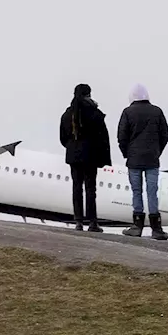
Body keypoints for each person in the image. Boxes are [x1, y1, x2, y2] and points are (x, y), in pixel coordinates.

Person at [117, 83, 168, 240]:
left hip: (134, 160)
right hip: (152, 159)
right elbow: (165, 135)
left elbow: (121, 136)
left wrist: (127, 153)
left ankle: (137, 226)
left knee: (136, 192)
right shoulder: (157, 111)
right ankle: (156, 228)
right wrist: (157, 151)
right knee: (152, 192)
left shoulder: (127, 112)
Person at [60, 83, 112, 232]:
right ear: (88, 94)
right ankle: (92, 222)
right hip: (91, 155)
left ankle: (78, 221)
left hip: (73, 156)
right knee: (90, 189)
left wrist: (72, 147)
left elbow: (63, 138)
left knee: (76, 187)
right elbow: (103, 138)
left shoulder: (67, 114)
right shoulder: (95, 113)